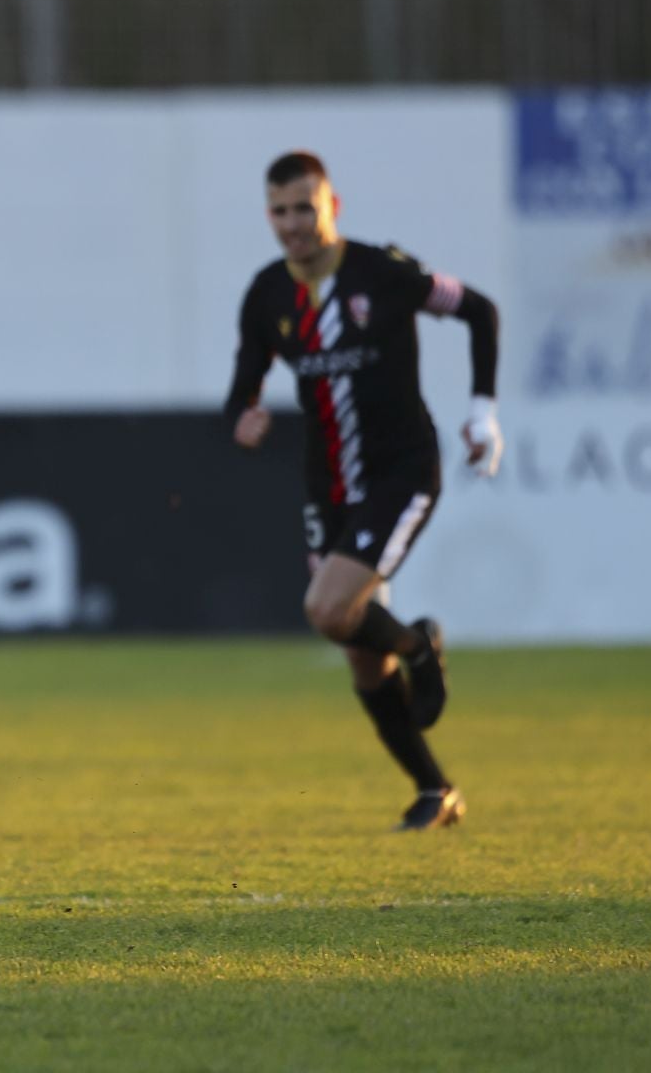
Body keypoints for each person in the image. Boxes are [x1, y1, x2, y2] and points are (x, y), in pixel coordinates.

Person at [224, 151, 502, 831]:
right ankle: (436, 789)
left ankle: (416, 644)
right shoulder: (267, 296)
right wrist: (244, 418)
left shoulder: (383, 273)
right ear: (269, 215)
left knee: (325, 608)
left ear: (332, 207)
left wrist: (483, 411)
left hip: (402, 472)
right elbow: (241, 389)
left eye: (304, 208)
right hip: (329, 488)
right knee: (356, 648)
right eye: (280, 211)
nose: (292, 224)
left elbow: (478, 310)